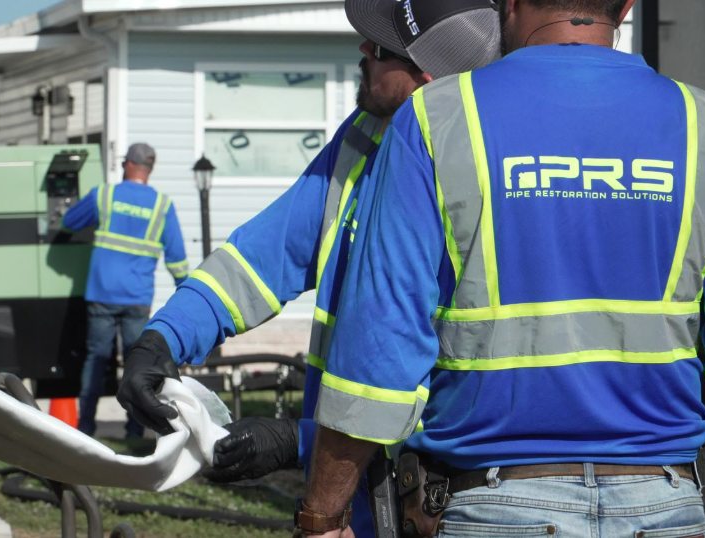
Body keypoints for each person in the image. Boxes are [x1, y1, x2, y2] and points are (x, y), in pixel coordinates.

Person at [302, 0, 705, 535]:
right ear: (628, 5)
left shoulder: (437, 119)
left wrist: (322, 515)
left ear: (505, 4)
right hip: (665, 503)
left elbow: (380, 346)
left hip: (490, 504)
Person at [114, 1, 501, 535]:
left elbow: (436, 376)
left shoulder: (479, 175)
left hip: (440, 504)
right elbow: (262, 258)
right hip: (361, 493)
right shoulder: (365, 137)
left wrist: (299, 443)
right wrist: (162, 339)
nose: (364, 49)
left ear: (427, 83)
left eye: (384, 48)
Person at [62, 142, 188, 438]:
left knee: (96, 360)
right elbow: (178, 260)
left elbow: (68, 222)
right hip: (137, 298)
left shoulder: (104, 195)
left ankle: (86, 428)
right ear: (149, 168)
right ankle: (135, 430)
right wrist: (187, 297)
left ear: (127, 164)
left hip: (102, 294)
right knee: (137, 365)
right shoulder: (162, 206)